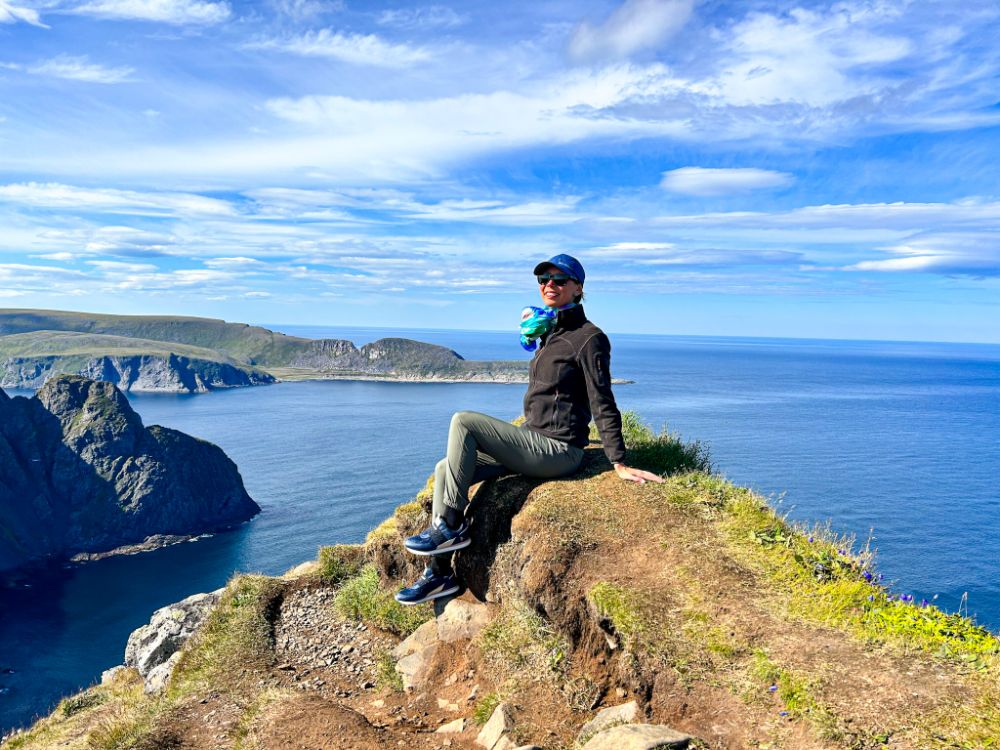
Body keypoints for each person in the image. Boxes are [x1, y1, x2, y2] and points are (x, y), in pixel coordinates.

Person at [394, 254, 663, 605]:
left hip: (558, 451)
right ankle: (441, 574)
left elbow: (602, 399)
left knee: (463, 420)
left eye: (560, 280)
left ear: (578, 288)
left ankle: (450, 528)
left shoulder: (589, 337)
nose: (549, 285)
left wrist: (619, 462)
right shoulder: (550, 331)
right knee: (445, 468)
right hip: (533, 442)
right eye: (543, 280)